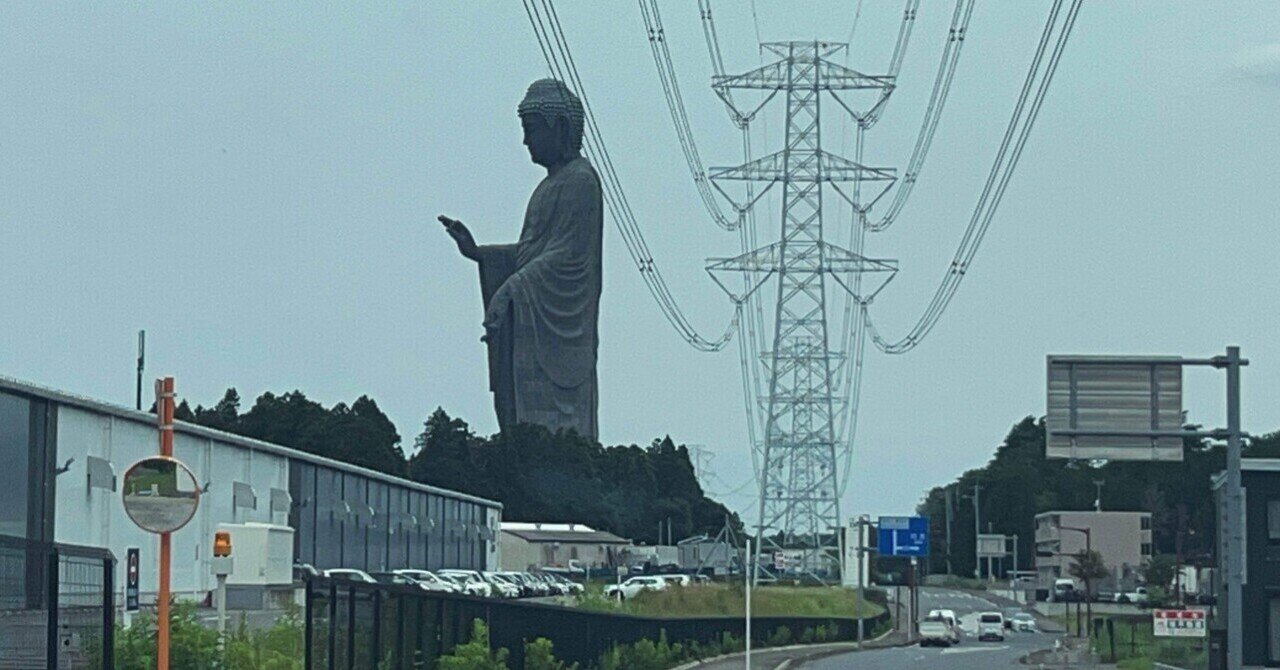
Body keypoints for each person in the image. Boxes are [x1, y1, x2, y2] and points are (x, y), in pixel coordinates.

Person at [438, 78, 603, 441]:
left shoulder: (581, 181)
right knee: (522, 420)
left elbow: (569, 257)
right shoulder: (547, 187)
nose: (526, 141)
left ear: (560, 128)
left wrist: (511, 289)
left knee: (558, 430)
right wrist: (479, 253)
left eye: (532, 129)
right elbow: (534, 253)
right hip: (533, 322)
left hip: (560, 331)